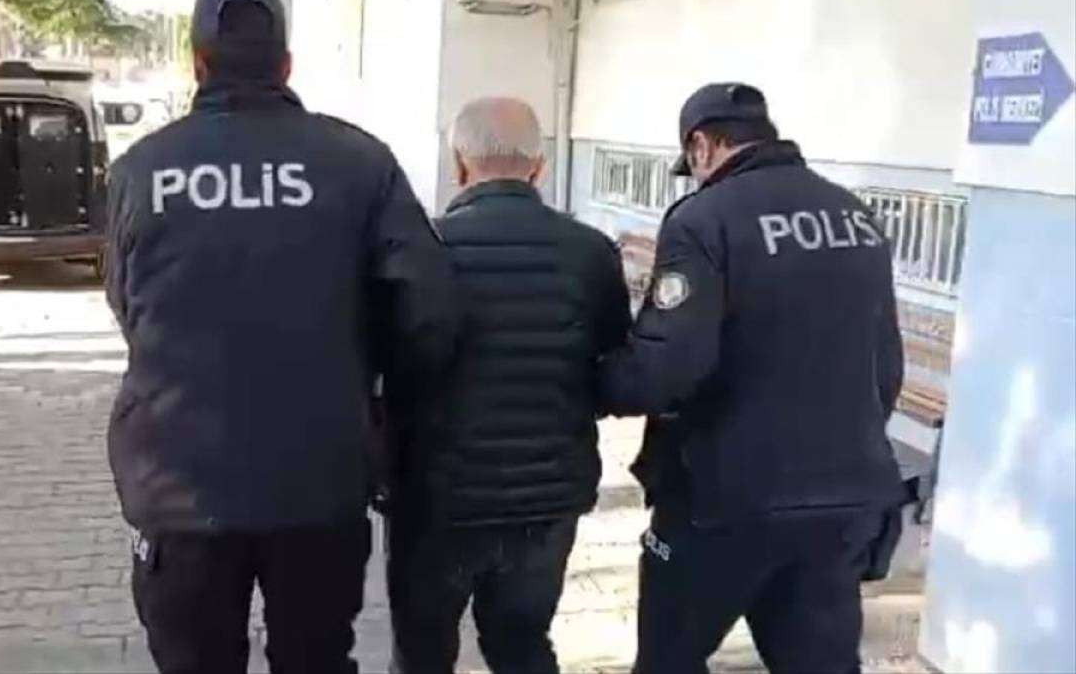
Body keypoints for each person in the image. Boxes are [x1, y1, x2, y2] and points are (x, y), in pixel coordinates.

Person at [103, 0, 460, 674]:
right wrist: (375, 396)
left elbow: (125, 302)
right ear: (287, 65)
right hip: (319, 481)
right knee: (315, 659)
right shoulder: (358, 162)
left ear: (197, 64)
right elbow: (430, 309)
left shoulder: (140, 171)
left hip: (180, 482)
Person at [599, 83, 905, 674]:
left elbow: (668, 368)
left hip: (724, 501)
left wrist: (599, 383)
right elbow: (886, 367)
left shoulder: (704, 219)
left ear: (701, 146)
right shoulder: (855, 214)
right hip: (843, 502)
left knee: (669, 661)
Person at [385, 97, 632, 674]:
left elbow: (390, 365)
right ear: (539, 167)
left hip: (437, 499)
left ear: (459, 164)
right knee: (522, 647)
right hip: (547, 498)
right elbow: (613, 363)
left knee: (422, 654)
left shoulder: (423, 250)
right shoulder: (589, 251)